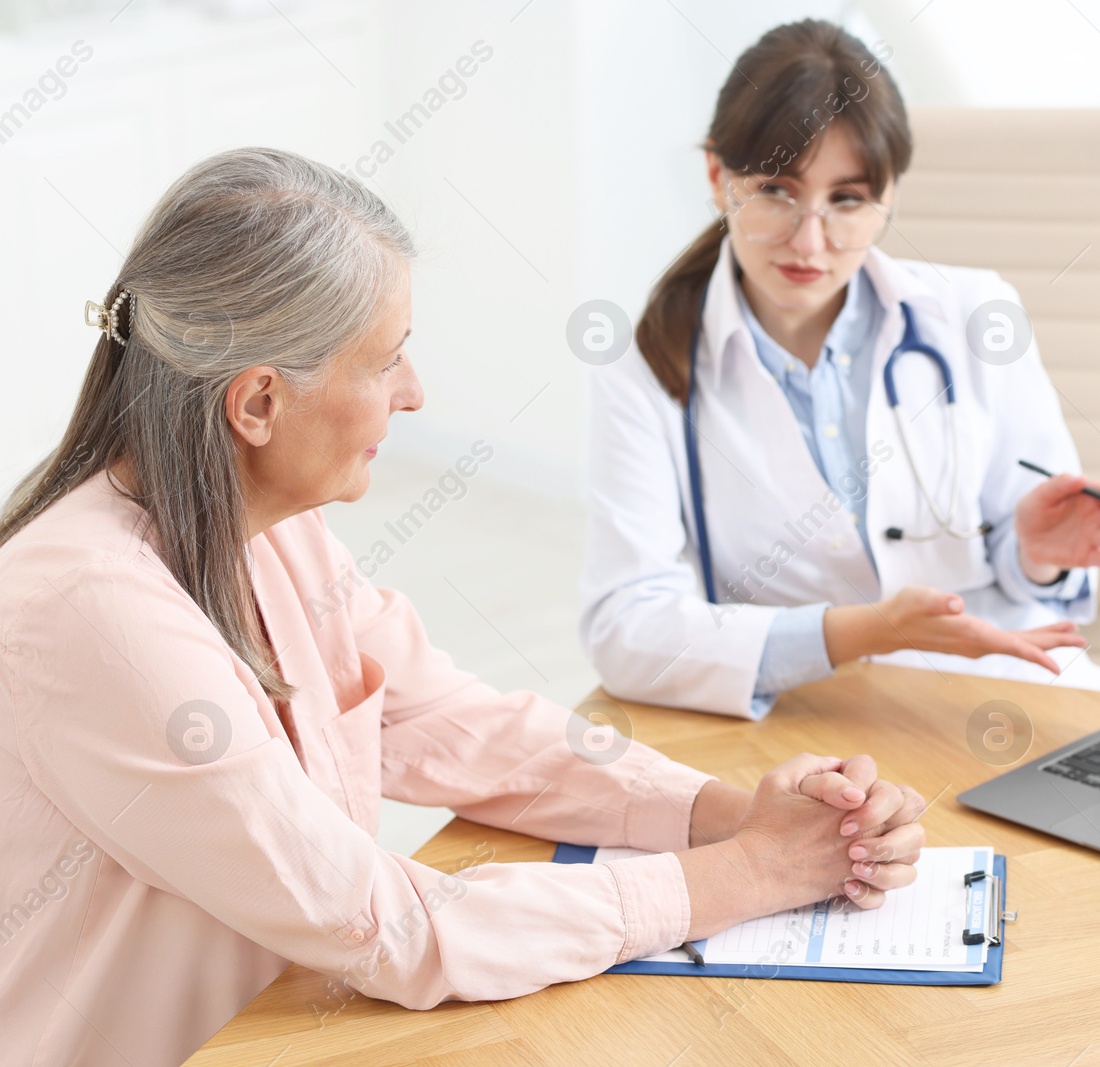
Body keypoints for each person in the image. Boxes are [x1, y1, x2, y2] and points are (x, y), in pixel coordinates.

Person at [0, 147, 925, 1066]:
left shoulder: (267, 523)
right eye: (388, 361)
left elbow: (448, 720)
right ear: (258, 402)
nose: (414, 393)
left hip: (282, 1028)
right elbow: (386, 927)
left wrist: (737, 815)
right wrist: (753, 871)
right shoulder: (92, 609)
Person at [580, 20, 1100, 719]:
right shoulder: (648, 370)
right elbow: (625, 628)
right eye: (776, 191)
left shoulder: (975, 317)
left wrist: (1033, 550)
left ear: (889, 197)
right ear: (717, 177)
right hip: (807, 718)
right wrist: (859, 633)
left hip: (997, 692)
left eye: (846, 200)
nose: (810, 240)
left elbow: (1038, 582)